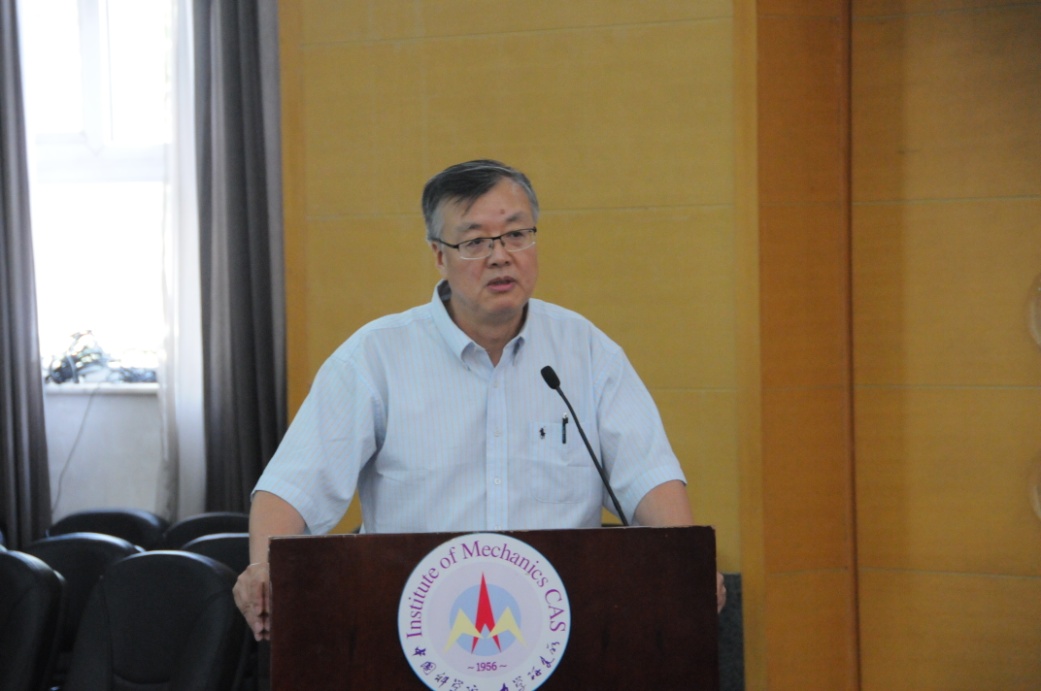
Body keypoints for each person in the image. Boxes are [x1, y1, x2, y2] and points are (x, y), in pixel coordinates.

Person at [233, 159, 725, 640]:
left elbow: (647, 476)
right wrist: (262, 568)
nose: (500, 256)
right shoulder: (374, 357)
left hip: (561, 627)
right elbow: (294, 485)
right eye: (475, 242)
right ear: (439, 255)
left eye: (516, 234)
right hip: (412, 629)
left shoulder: (588, 352)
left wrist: (685, 560)